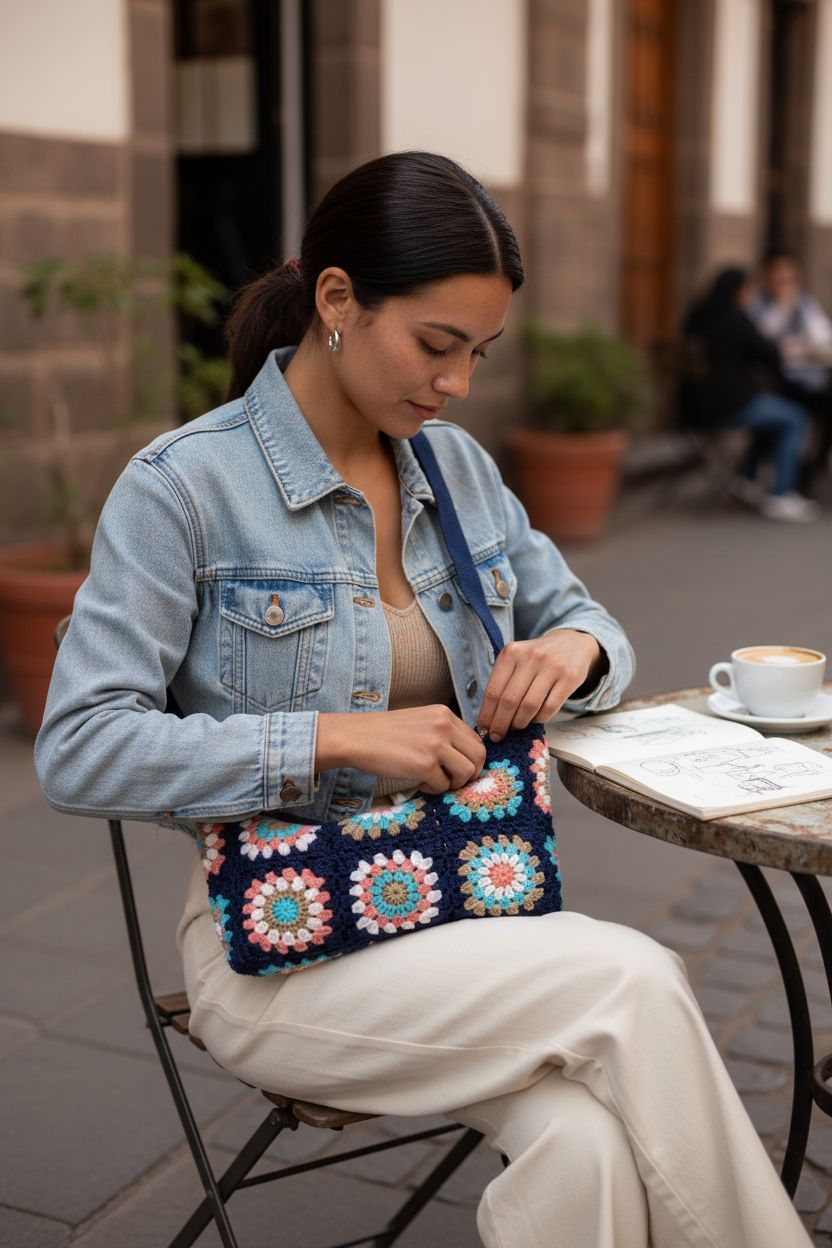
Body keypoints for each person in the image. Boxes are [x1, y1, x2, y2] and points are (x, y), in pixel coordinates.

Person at [35, 153, 810, 1248]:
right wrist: (334, 737)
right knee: (633, 981)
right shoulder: (185, 490)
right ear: (338, 301)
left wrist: (575, 653)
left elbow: (592, 619)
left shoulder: (455, 469)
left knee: (580, 1147)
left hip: (452, 914)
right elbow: (79, 748)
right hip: (279, 943)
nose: (454, 384)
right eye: (436, 346)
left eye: (477, 354)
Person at [682, 265, 819, 522]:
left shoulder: (702, 315)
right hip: (729, 405)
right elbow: (769, 352)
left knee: (773, 415)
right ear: (739, 291)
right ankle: (781, 493)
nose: (751, 295)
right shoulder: (735, 319)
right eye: (749, 290)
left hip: (698, 405)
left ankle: (747, 478)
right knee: (794, 417)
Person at [749, 251, 832, 490]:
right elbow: (761, 338)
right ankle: (789, 480)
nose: (786, 282)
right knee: (795, 413)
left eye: (790, 276)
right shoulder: (760, 304)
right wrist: (783, 306)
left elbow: (822, 336)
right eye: (780, 277)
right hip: (772, 381)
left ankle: (810, 472)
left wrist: (798, 308)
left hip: (807, 378)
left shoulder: (804, 303)